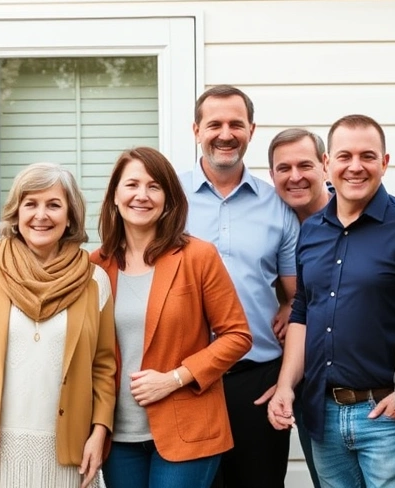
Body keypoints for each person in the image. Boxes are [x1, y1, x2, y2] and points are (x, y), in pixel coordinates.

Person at [0, 162, 116, 488]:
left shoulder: (94, 282)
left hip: (67, 453)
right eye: (30, 204)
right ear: (16, 213)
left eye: (54, 205)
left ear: (71, 215)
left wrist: (99, 433)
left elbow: (104, 368)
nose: (41, 215)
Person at [267, 115, 395, 487]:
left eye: (367, 156)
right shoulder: (311, 231)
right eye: (344, 156)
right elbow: (302, 310)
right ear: (328, 163)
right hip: (324, 414)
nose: (355, 167)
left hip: (386, 414)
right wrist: (286, 385)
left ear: (384, 162)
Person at [91, 147, 252, 488]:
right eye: (132, 185)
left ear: (168, 198)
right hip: (117, 435)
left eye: (154, 186)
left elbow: (237, 335)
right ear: (115, 196)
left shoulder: (198, 256)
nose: (142, 196)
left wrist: (176, 377)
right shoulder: (95, 266)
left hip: (188, 429)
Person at [179, 85, 298, 488]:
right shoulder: (168, 199)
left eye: (236, 124)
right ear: (196, 130)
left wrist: (288, 306)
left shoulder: (277, 205)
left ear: (251, 129)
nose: (225, 133)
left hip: (257, 378)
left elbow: (297, 293)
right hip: (186, 378)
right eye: (214, 124)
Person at [267, 128, 330, 488]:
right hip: (298, 384)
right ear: (271, 174)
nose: (295, 176)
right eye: (283, 168)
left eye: (305, 165)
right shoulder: (270, 222)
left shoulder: (352, 218)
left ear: (324, 165)